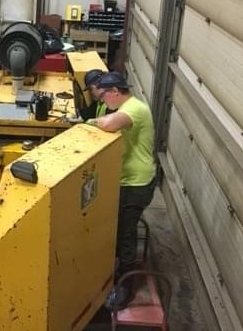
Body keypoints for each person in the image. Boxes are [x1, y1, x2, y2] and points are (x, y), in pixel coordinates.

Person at [86, 71, 156, 308]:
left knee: (126, 233)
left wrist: (87, 123)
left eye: (104, 96)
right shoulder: (125, 107)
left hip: (135, 184)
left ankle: (127, 288)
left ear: (115, 91)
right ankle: (116, 269)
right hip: (126, 180)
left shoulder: (135, 108)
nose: (103, 101)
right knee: (117, 228)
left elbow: (107, 124)